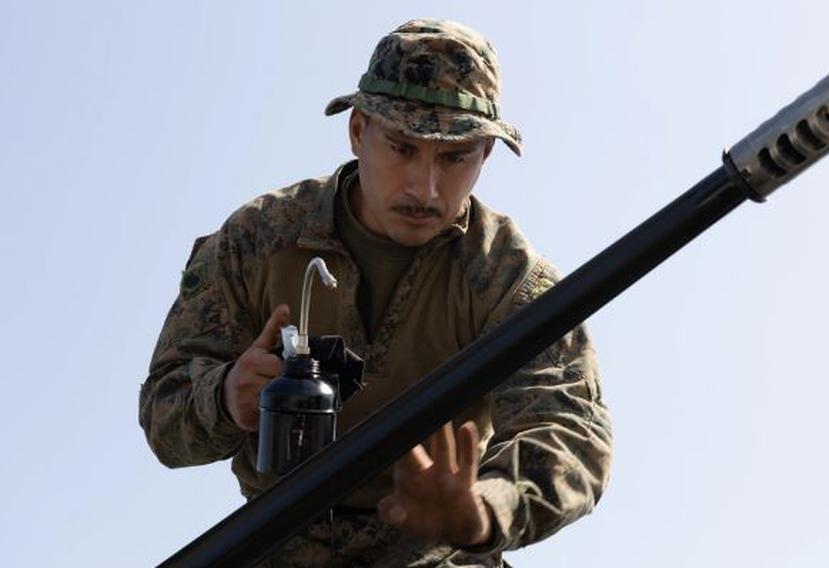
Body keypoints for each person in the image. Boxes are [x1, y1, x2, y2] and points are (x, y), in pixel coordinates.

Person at [139, 18, 612, 567]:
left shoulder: (507, 275)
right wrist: (225, 396)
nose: (425, 187)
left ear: (485, 155)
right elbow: (163, 418)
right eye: (403, 146)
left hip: (442, 554)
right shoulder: (257, 239)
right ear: (358, 130)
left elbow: (571, 432)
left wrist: (483, 510)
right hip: (275, 542)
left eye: (454, 156)